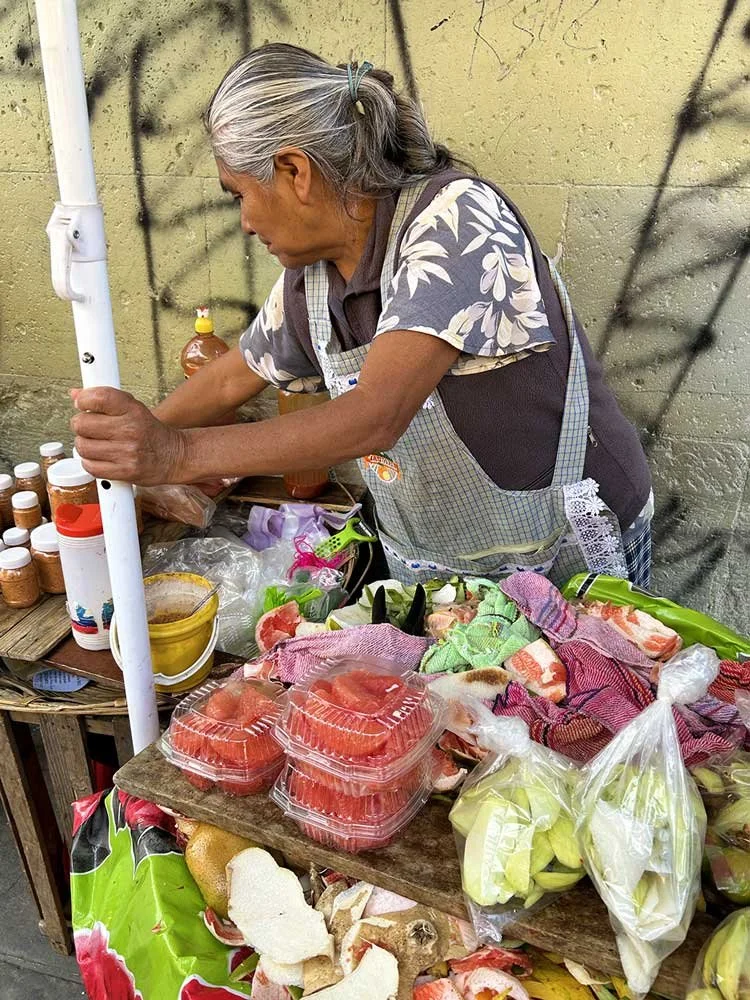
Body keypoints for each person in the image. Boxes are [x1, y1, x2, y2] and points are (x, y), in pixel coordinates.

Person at [71, 43, 652, 587]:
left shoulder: (455, 220)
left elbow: (378, 414)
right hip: (448, 564)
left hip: (567, 548)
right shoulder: (314, 277)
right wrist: (123, 445)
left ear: (295, 171)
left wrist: (174, 454)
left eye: (238, 193)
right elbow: (232, 376)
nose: (245, 223)